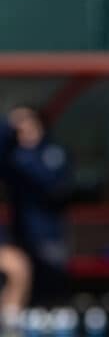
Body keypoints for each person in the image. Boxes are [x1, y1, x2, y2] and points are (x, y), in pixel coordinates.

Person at [0, 105, 72, 306]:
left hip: (48, 235)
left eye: (28, 122)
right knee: (21, 276)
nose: (24, 129)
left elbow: (53, 187)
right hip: (20, 233)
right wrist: (7, 126)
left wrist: (26, 157)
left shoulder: (53, 153)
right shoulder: (11, 155)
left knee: (50, 289)